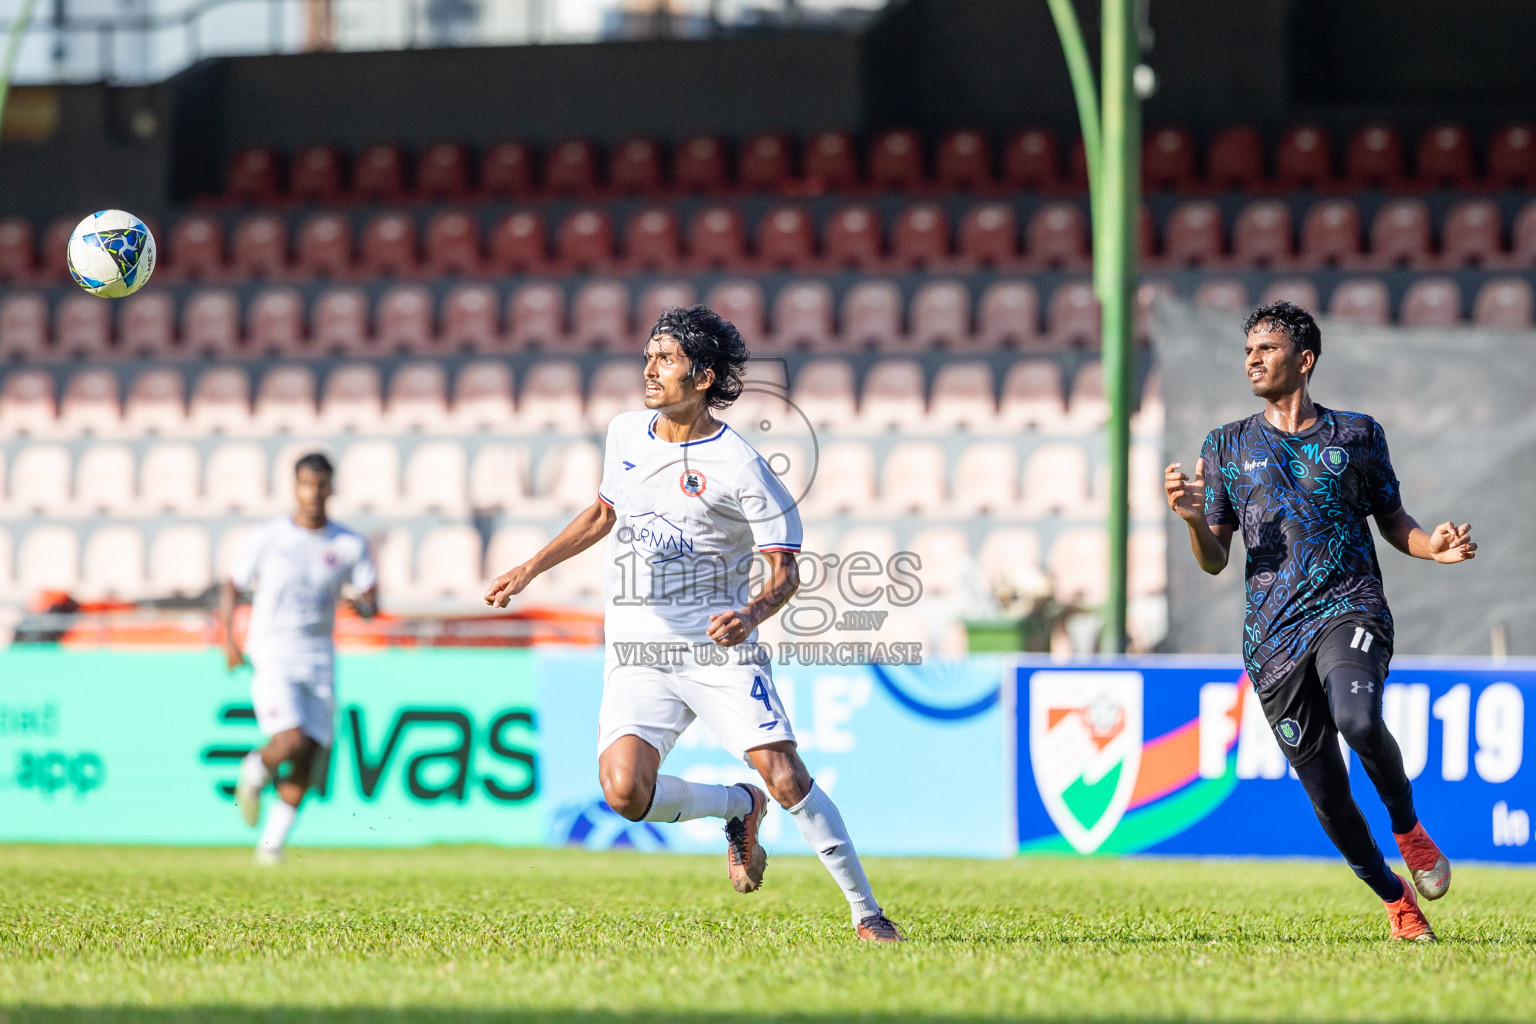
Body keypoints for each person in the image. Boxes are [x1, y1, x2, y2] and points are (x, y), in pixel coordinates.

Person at [485, 306, 903, 943]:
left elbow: (785, 574)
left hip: (715, 650)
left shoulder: (742, 468)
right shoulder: (627, 432)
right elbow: (603, 514)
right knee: (624, 792)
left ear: (703, 376)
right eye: (649, 354)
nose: (649, 368)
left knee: (786, 775)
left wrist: (752, 613)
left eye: (666, 358)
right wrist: (531, 567)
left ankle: (867, 913)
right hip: (636, 651)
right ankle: (738, 807)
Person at [1166, 301, 1474, 942]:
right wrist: (1196, 520)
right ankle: (1395, 901)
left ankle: (1409, 828)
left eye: (1267, 349)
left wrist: (1432, 545)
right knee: (1328, 794)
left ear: (1303, 360)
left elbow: (1394, 521)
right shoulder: (1224, 445)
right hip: (1271, 640)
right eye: (1247, 349)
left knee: (1358, 718)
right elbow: (1215, 560)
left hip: (1349, 606)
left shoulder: (1358, 434)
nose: (1252, 359)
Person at [220, 452, 378, 865]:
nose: (313, 493)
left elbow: (370, 601)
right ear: (295, 486)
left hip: (319, 655)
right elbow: (232, 584)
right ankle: (255, 766)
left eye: (320, 485)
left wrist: (360, 606)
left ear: (330, 487)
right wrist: (229, 639)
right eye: (305, 484)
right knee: (289, 739)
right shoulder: (269, 536)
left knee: (311, 749)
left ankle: (271, 846)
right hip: (272, 650)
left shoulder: (347, 544)